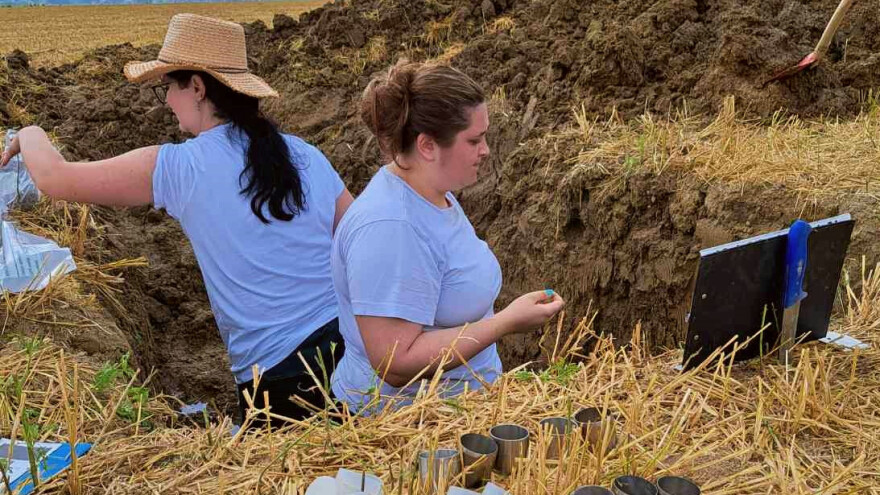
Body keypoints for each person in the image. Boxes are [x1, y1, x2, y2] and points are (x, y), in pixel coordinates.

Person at [0, 14, 353, 427]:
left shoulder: (182, 167)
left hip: (280, 377)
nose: (166, 100)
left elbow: (56, 179)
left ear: (198, 88)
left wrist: (29, 132)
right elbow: (357, 239)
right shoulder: (303, 153)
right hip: (352, 352)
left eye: (168, 86)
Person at [330, 60, 565, 413]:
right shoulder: (392, 226)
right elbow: (396, 362)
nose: (485, 150)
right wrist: (505, 323)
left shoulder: (433, 194)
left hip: (453, 413)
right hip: (405, 427)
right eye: (474, 140)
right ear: (427, 146)